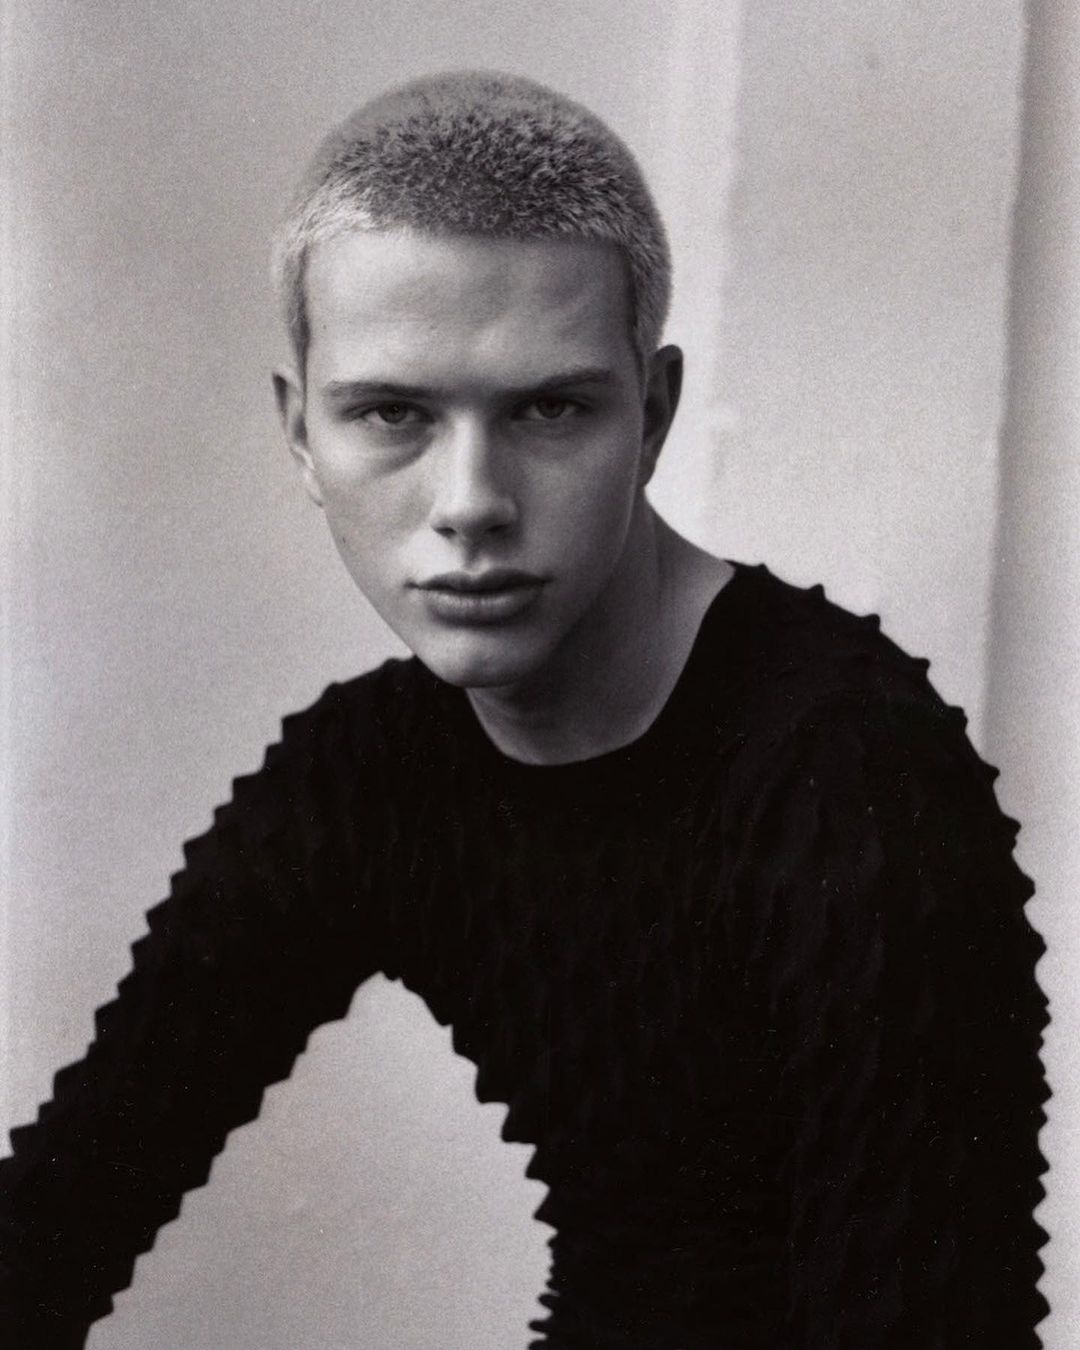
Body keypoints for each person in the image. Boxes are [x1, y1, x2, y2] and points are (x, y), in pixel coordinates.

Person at [0, 70, 1049, 1349]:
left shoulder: (853, 770)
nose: (471, 503)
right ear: (301, 436)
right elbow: (64, 1208)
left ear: (651, 416)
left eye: (550, 409)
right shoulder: (367, 773)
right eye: (392, 414)